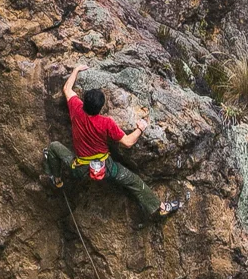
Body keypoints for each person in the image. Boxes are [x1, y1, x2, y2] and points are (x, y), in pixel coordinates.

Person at [43, 64, 173, 221]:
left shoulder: (76, 109)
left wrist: (76, 70)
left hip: (81, 168)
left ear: (84, 102)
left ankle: (57, 180)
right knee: (134, 181)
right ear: (100, 107)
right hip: (106, 167)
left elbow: (67, 88)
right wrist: (140, 128)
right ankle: (160, 207)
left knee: (53, 147)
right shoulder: (106, 123)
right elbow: (127, 142)